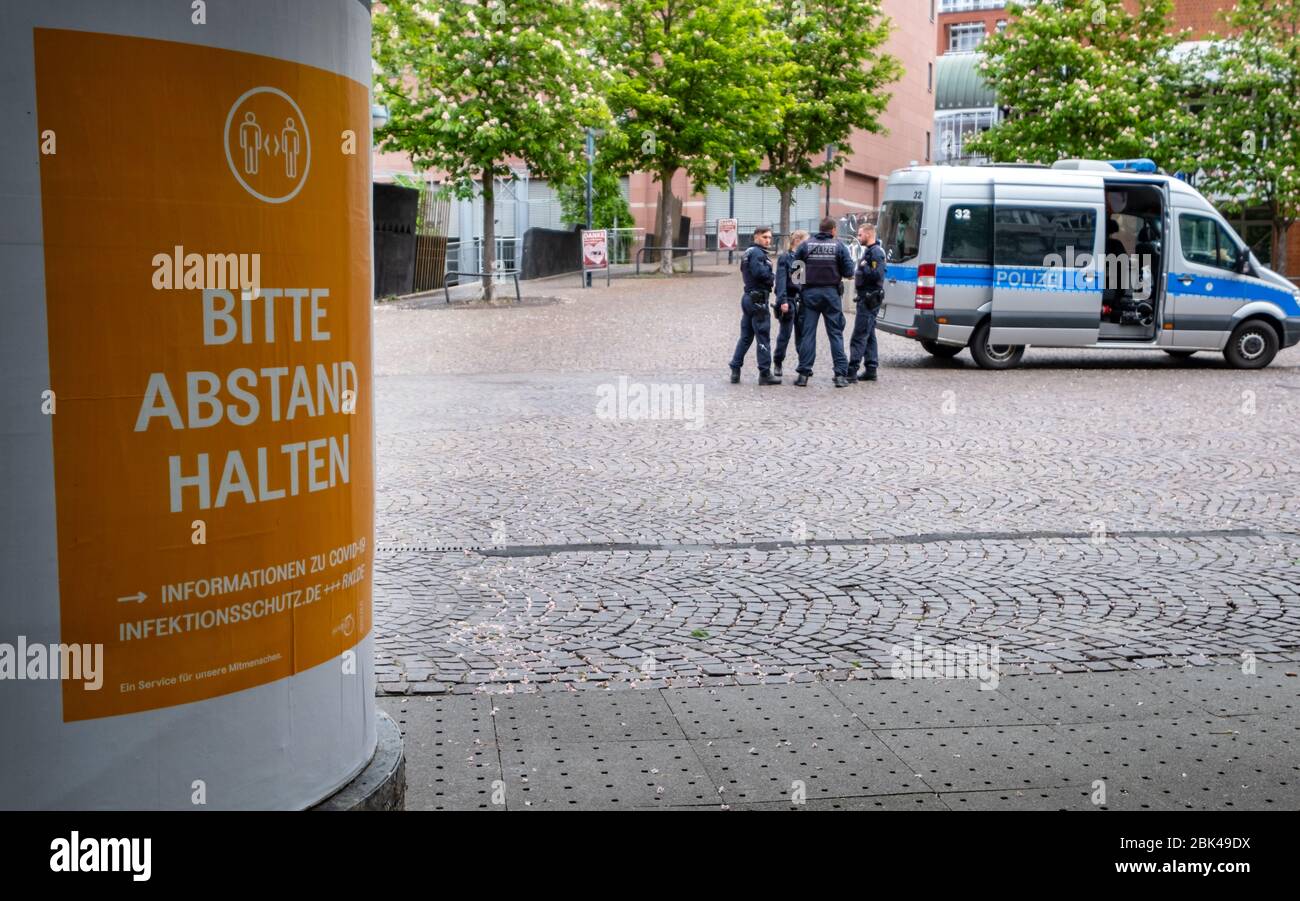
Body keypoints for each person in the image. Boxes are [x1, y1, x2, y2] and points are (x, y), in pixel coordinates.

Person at [793, 217, 855, 387]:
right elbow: (850, 272)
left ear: (820, 229)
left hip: (810, 294)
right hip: (831, 294)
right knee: (835, 334)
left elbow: (796, 274)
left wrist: (803, 290)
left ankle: (803, 375)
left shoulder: (805, 246)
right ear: (833, 230)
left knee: (808, 334)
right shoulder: (839, 246)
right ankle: (840, 375)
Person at [729, 226, 781, 385]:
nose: (768, 240)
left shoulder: (748, 253)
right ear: (756, 237)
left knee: (746, 337)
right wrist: (772, 276)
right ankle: (765, 373)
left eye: (770, 237)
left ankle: (735, 369)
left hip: (748, 298)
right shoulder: (758, 253)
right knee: (763, 336)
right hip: (758, 299)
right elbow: (760, 273)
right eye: (765, 237)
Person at [847, 222, 885, 382]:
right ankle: (871, 368)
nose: (858, 236)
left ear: (869, 235)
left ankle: (852, 371)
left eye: (860, 234)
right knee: (869, 335)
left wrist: (862, 267)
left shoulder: (875, 252)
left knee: (859, 335)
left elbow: (877, 274)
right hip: (867, 297)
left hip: (869, 299)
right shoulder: (871, 251)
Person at [772, 230, 809, 379]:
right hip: (789, 300)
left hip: (800, 301)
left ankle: (803, 365)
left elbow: (800, 282)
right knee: (785, 335)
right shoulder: (785, 258)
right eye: (805, 241)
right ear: (797, 241)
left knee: (802, 336)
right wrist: (783, 301)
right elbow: (781, 282)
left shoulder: (801, 259)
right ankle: (778, 362)